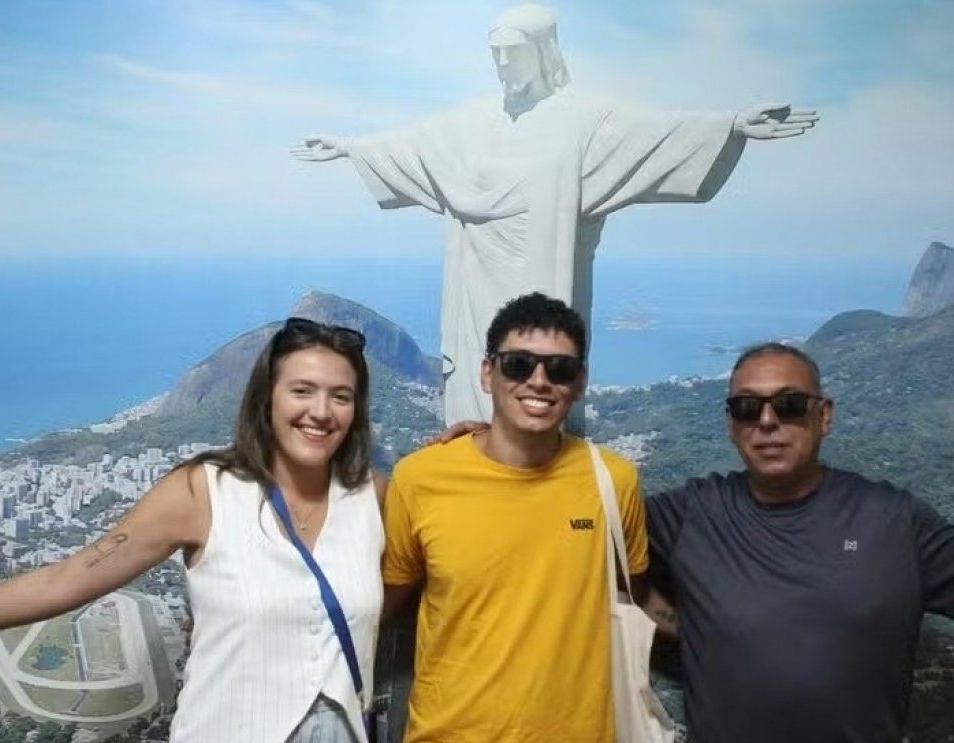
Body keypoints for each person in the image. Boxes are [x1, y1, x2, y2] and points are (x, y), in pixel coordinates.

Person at [0, 317, 386, 743]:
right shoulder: (202, 491)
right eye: (302, 390)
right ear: (267, 399)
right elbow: (62, 582)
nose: (321, 411)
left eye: (340, 396)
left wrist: (467, 441)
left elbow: (415, 581)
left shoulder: (375, 497)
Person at [292, 3, 817, 430]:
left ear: (542, 53)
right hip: (473, 285)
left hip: (545, 280)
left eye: (513, 53)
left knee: (542, 371)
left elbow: (658, 135)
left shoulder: (585, 120)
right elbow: (414, 146)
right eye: (494, 54)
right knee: (476, 389)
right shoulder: (471, 122)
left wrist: (731, 127)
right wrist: (352, 147)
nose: (502, 65)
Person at [645, 341, 954, 743]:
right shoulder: (690, 514)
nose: (767, 421)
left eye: (790, 404)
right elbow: (592, 549)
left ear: (825, 415)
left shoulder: (890, 520)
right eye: (746, 407)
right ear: (730, 424)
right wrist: (682, 624)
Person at [381, 293, 663, 743]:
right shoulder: (421, 477)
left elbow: (634, 592)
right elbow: (385, 601)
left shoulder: (612, 482)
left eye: (559, 369)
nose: (538, 381)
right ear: (488, 374)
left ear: (579, 383)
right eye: (518, 365)